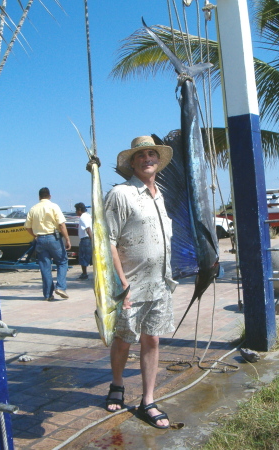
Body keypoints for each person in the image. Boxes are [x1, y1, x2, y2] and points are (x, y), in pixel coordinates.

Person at [104, 135, 177, 429]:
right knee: (123, 340)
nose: (148, 159)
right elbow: (106, 241)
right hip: (130, 286)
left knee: (153, 339)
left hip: (160, 283)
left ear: (158, 160)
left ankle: (148, 399)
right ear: (132, 163)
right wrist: (121, 282)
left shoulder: (161, 194)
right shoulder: (121, 194)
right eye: (141, 155)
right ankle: (118, 384)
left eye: (152, 154)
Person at [25, 187, 71, 300]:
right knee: (62, 262)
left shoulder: (33, 209)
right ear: (49, 196)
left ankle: (48, 294)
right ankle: (60, 286)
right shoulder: (53, 206)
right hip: (53, 237)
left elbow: (27, 227)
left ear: (39, 197)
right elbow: (61, 224)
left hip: (40, 238)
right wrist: (67, 239)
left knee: (45, 266)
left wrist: (35, 235)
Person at [74, 202, 93, 280]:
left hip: (86, 239)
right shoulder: (89, 216)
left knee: (83, 257)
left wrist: (92, 240)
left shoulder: (83, 217)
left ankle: (84, 274)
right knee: (92, 257)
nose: (76, 212)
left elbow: (87, 228)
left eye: (76, 210)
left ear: (79, 210)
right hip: (89, 238)